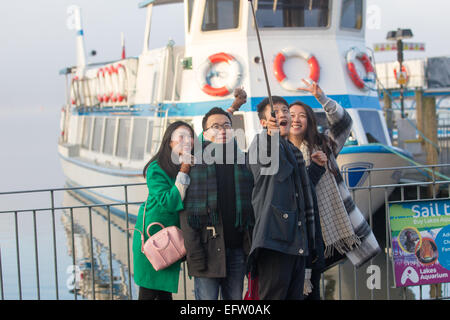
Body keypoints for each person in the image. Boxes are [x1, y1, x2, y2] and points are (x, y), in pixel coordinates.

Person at [288, 79, 381, 299]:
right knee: (293, 286)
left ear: (310, 121)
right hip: (296, 228)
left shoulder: (324, 145)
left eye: (302, 115)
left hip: (324, 226)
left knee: (314, 285)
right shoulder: (281, 150)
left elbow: (344, 123)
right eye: (291, 115)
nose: (296, 119)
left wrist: (322, 98)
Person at [245, 95, 321, 300]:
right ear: (263, 122)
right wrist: (271, 134)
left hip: (296, 240)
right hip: (274, 240)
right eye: (275, 112)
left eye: (285, 110)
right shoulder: (261, 142)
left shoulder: (292, 149)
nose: (283, 114)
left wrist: (317, 169)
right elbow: (274, 168)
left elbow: (300, 191)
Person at [180, 103, 254, 300]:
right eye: (215, 126)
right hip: (206, 251)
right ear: (204, 133)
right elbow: (186, 214)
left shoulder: (243, 161)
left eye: (227, 126)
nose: (222, 130)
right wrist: (194, 255)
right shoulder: (194, 165)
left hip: (237, 250)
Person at [132, 121, 195, 300]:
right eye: (180, 137)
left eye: (189, 137)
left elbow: (210, 133)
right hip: (153, 236)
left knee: (163, 291)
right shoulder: (156, 168)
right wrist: (185, 169)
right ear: (169, 142)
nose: (187, 141)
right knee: (149, 291)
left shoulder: (185, 162)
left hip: (172, 237)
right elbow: (169, 202)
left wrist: (233, 107)